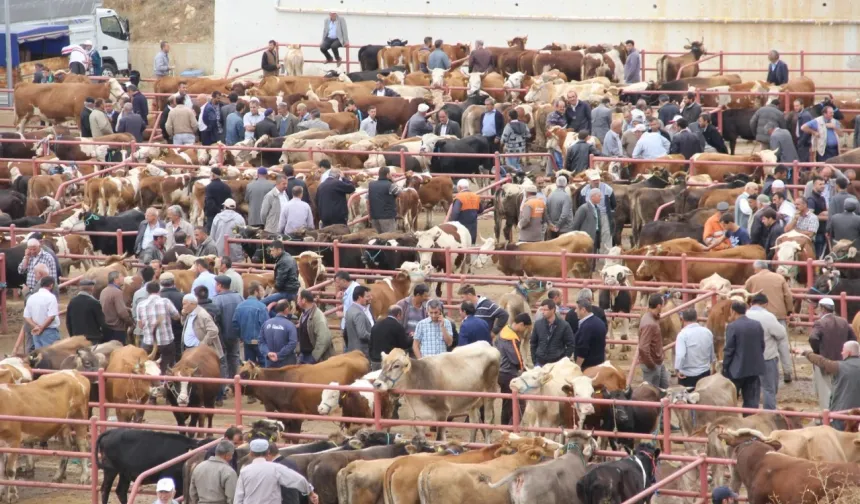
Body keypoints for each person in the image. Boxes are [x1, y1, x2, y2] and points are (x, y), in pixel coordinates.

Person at [796, 340, 860, 431]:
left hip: (842, 415)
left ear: (849, 353)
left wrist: (806, 352)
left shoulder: (839, 367)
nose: (841, 353)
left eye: (843, 350)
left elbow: (821, 361)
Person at [808, 297, 857, 410]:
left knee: (825, 392)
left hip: (825, 361)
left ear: (823, 309)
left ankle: (827, 417)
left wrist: (817, 351)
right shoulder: (843, 321)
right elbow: (853, 339)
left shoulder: (819, 323)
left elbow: (813, 338)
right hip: (842, 362)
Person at [745, 293, 792, 410]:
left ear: (751, 303)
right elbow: (781, 334)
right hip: (767, 357)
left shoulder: (745, 315)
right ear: (766, 304)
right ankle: (769, 415)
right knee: (769, 389)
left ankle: (751, 414)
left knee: (751, 390)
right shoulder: (768, 316)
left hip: (748, 359)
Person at [234, 439, 317, 504]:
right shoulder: (276, 468)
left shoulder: (244, 471)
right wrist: (311, 492)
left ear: (251, 453)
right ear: (268, 452)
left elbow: (238, 497)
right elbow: (299, 480)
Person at [723, 301, 765, 413]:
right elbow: (762, 345)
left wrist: (725, 367)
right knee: (751, 402)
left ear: (733, 311)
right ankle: (750, 424)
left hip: (736, 369)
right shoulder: (757, 324)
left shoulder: (732, 327)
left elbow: (729, 349)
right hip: (754, 368)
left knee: (731, 400)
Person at [136, 281, 181, 373]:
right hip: (166, 342)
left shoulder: (140, 305)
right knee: (167, 369)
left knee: (148, 370)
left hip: (148, 342)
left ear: (147, 291)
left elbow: (140, 325)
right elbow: (177, 317)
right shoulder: (166, 302)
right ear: (159, 290)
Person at [496, 313, 531, 425]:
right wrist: (523, 369)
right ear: (521, 324)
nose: (523, 330)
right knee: (519, 404)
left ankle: (504, 428)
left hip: (501, 372)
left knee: (507, 403)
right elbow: (516, 359)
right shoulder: (511, 338)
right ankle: (512, 429)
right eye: (525, 328)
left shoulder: (503, 332)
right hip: (510, 374)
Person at [674, 308, 716, 388]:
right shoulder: (707, 332)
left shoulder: (682, 335)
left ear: (682, 319)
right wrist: (713, 366)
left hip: (687, 376)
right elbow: (712, 354)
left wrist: (677, 369)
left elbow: (681, 355)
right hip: (705, 373)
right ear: (696, 318)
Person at [745, 260, 794, 328]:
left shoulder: (751, 279)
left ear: (757, 269)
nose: (754, 272)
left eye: (755, 270)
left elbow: (745, 296)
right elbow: (788, 296)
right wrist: (789, 311)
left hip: (758, 316)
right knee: (780, 336)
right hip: (778, 315)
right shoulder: (780, 278)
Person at [189, 440, 237, 504]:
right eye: (231, 455)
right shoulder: (229, 471)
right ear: (227, 455)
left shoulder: (198, 467)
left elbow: (193, 493)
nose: (231, 458)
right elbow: (232, 497)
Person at [297, 289, 340, 363]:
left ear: (303, 300)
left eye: (298, 298)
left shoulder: (318, 316)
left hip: (314, 357)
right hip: (304, 354)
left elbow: (323, 339)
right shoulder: (304, 313)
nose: (297, 301)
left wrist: (314, 357)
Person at [233, 281, 268, 368]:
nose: (262, 293)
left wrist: (241, 336)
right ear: (256, 292)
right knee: (264, 366)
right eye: (261, 291)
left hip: (246, 341)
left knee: (249, 366)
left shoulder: (240, 306)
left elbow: (235, 323)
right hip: (260, 342)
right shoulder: (262, 306)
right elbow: (266, 325)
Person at [530, 299, 575, 367]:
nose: (543, 312)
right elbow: (533, 343)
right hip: (540, 362)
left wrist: (563, 360)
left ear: (553, 310)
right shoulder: (538, 324)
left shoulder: (564, 325)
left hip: (557, 363)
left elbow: (571, 345)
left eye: (545, 310)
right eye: (542, 310)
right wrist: (534, 360)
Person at [639, 294, 669, 388]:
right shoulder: (650, 323)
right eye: (662, 304)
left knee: (664, 388)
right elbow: (643, 348)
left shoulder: (650, 318)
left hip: (657, 362)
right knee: (652, 393)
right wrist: (652, 365)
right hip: (653, 364)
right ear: (659, 306)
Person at [369, 305, 411, 371]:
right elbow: (404, 344)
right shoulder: (398, 326)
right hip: (389, 362)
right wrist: (412, 338)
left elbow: (370, 343)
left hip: (375, 361)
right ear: (399, 314)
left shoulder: (376, 325)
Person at [66, 279, 107, 344]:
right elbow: (102, 323)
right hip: (93, 339)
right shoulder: (94, 303)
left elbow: (68, 322)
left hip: (77, 339)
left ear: (80, 288)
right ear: (92, 288)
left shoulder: (72, 302)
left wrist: (72, 337)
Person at [23, 277, 60, 348]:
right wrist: (42, 328)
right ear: (51, 285)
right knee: (52, 356)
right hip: (49, 331)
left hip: (36, 332)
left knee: (40, 356)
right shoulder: (51, 297)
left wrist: (35, 326)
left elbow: (27, 316)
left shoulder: (31, 297)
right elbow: (52, 317)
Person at [263, 241, 299, 312]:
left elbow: (279, 283)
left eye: (273, 250)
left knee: (262, 303)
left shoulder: (283, 261)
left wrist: (270, 294)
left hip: (286, 292)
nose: (271, 253)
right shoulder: (289, 257)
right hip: (292, 290)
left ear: (279, 250)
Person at [259, 301, 298, 367]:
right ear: (286, 310)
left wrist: (268, 353)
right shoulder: (290, 325)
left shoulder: (266, 323)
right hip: (286, 365)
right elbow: (293, 343)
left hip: (269, 364)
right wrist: (279, 355)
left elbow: (261, 342)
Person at [572, 299, 606, 370]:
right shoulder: (599, 322)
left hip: (587, 367)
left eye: (577, 309)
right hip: (599, 363)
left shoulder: (586, 326)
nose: (575, 311)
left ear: (583, 310)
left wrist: (577, 366)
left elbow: (583, 349)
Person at [100, 271, 132, 343]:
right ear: (116, 279)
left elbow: (110, 306)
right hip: (117, 329)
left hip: (106, 327)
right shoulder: (117, 292)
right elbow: (121, 312)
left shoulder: (104, 291)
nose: (123, 278)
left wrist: (127, 308)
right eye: (121, 276)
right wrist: (130, 322)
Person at [367, 166, 401, 234]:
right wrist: (393, 181)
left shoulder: (371, 185)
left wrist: (369, 214)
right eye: (390, 174)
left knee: (377, 239)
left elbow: (368, 200)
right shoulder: (390, 185)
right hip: (387, 216)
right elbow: (400, 193)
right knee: (390, 239)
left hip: (374, 216)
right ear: (388, 175)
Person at [209, 199, 245, 263]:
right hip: (235, 253)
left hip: (219, 251)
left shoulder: (217, 218)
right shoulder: (239, 218)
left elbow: (212, 236)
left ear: (225, 207)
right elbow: (241, 236)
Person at [344, 286, 374, 358]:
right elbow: (362, 334)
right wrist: (375, 337)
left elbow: (345, 332)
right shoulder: (359, 314)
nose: (371, 298)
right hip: (362, 352)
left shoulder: (349, 310)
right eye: (367, 296)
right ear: (360, 298)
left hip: (352, 350)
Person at [572, 188, 603, 254]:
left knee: (593, 258)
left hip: (595, 236)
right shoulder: (583, 208)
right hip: (585, 238)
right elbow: (576, 224)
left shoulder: (597, 209)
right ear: (593, 197)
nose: (601, 198)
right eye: (599, 196)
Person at [449, 179, 480, 244]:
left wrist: (451, 223)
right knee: (472, 244)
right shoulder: (476, 196)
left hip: (462, 226)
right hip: (473, 226)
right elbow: (481, 209)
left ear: (460, 187)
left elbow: (455, 212)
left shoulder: (459, 197)